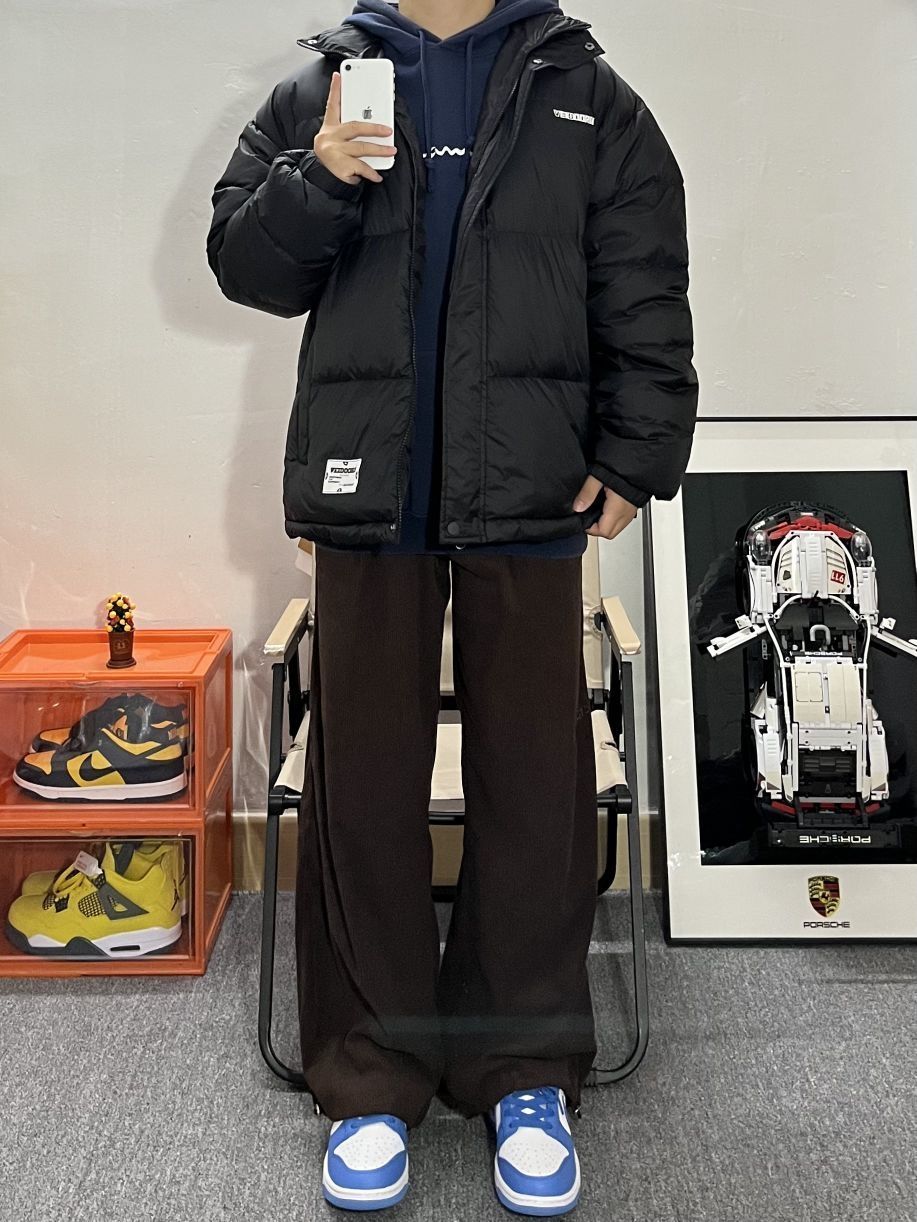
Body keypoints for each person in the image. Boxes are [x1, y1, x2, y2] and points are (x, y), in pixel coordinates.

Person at [207, 0, 698, 1213]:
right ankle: (371, 1073)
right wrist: (318, 174)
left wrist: (636, 453)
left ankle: (520, 1066)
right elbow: (246, 267)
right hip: (367, 495)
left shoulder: (587, 98)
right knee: (362, 785)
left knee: (534, 787)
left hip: (530, 494)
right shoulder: (317, 91)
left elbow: (643, 284)